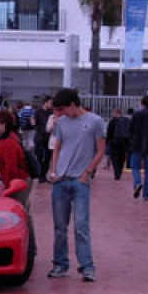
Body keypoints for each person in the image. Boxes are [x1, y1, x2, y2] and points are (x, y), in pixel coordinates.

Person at [46, 88, 105, 282]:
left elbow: (100, 150)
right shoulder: (61, 123)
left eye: (63, 109)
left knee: (81, 225)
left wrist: (87, 172)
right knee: (60, 225)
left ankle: (87, 266)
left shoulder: (95, 122)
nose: (62, 113)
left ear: (73, 104)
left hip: (80, 180)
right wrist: (53, 171)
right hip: (61, 179)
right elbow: (57, 148)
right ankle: (60, 264)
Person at [0, 108, 32, 211]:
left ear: (4, 124)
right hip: (18, 181)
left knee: (18, 210)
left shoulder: (8, 142)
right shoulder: (9, 137)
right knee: (23, 209)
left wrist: (8, 188)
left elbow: (11, 168)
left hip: (17, 183)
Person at [127, 94, 148, 201]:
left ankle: (137, 183)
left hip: (136, 145)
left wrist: (131, 142)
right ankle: (146, 193)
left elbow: (130, 130)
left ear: (143, 103)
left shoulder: (136, 114)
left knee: (135, 168)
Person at [105, 107, 131, 181]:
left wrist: (107, 142)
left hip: (114, 142)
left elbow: (109, 133)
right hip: (124, 142)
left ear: (115, 113)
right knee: (121, 158)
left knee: (114, 157)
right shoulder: (126, 121)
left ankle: (117, 173)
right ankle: (119, 171)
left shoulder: (112, 121)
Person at [32, 97, 54, 182]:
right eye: (50, 103)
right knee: (39, 156)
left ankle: (43, 175)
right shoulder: (38, 112)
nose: (51, 105)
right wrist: (37, 128)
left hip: (48, 137)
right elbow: (34, 122)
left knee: (48, 157)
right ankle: (40, 175)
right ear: (45, 102)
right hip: (39, 137)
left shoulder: (51, 113)